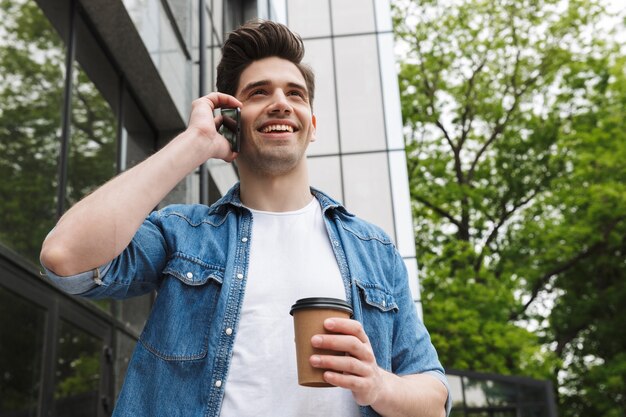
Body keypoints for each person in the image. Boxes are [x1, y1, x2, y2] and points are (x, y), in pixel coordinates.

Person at [40, 20, 451, 417]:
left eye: (296, 93)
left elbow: (433, 398)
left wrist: (378, 384)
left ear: (312, 125)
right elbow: (65, 257)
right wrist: (195, 142)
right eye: (258, 93)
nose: (280, 102)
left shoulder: (374, 250)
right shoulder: (183, 234)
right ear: (231, 121)